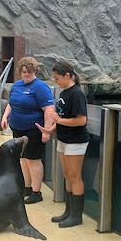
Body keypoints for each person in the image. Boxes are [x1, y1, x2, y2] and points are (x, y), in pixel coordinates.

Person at [36, 61, 89, 227]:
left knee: (75, 176)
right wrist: (51, 129)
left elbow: (81, 120)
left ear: (68, 75)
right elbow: (61, 117)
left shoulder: (77, 94)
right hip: (63, 138)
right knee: (67, 175)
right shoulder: (64, 93)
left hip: (76, 140)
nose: (55, 81)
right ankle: (68, 211)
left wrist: (59, 120)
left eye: (57, 78)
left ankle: (76, 215)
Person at [0, 56, 54, 204]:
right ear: (20, 72)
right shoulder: (16, 86)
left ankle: (37, 192)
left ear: (34, 71)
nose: (26, 74)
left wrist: (46, 131)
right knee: (23, 159)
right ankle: (27, 187)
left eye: (29, 72)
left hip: (33, 130)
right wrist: (5, 117)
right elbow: (11, 103)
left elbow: (48, 110)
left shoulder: (41, 87)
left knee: (33, 159)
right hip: (17, 128)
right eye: (24, 72)